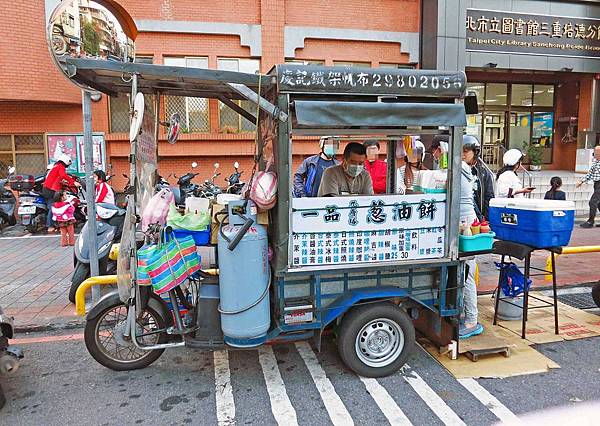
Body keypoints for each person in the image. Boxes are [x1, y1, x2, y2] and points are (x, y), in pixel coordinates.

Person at [459, 158, 483, 339]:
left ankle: (472, 321)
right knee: (462, 273)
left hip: (465, 224)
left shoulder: (456, 169)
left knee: (466, 274)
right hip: (466, 223)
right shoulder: (464, 169)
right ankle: (463, 314)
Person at [43, 154, 79, 232]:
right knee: (53, 207)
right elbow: (63, 176)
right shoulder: (60, 167)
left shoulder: (55, 167)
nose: (67, 167)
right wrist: (73, 182)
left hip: (47, 189)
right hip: (50, 190)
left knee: (51, 207)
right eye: (67, 166)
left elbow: (59, 179)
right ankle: (50, 225)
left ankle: (54, 224)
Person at [463, 135, 495, 220]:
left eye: (465, 151)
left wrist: (486, 220)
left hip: (478, 220)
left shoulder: (483, 173)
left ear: (475, 152)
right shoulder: (457, 171)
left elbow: (489, 198)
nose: (462, 155)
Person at [576, 145, 600, 228]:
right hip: (596, 184)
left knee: (592, 202)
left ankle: (590, 222)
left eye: (597, 152)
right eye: (595, 152)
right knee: (599, 203)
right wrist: (582, 181)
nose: (595, 154)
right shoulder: (595, 161)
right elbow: (590, 174)